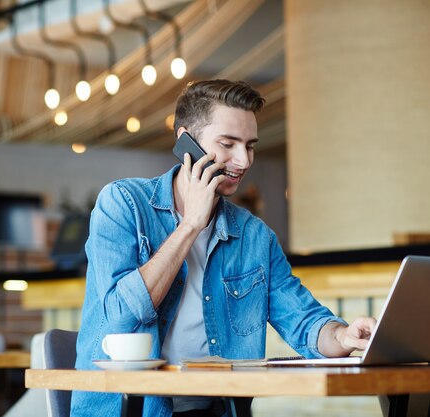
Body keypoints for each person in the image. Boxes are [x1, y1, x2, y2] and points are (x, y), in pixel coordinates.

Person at [70, 79, 376, 417]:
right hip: (129, 409)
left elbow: (305, 322)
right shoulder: (123, 204)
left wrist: (344, 336)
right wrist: (190, 226)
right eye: (228, 144)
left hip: (218, 408)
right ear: (185, 139)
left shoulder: (254, 236)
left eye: (250, 146)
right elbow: (122, 315)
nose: (243, 161)